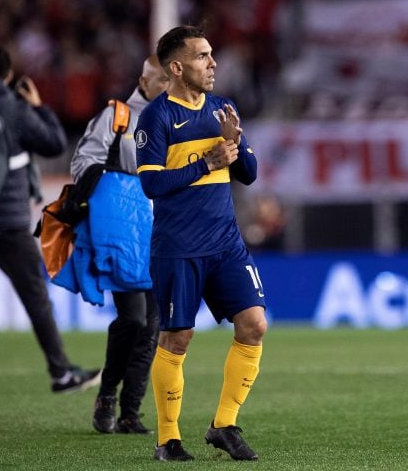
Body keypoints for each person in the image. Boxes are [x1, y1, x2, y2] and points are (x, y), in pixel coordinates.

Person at [135, 26, 267, 462]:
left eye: (212, 55)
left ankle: (224, 425)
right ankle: (168, 440)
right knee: (178, 337)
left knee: (254, 324)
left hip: (226, 243)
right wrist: (205, 161)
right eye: (202, 57)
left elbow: (247, 172)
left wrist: (234, 143)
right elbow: (153, 184)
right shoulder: (155, 118)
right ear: (176, 67)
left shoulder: (222, 108)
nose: (213, 64)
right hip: (178, 246)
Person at [0, 44, 101, 393]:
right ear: (8, 74)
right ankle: (61, 372)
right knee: (38, 303)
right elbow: (54, 143)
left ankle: (62, 371)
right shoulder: (14, 108)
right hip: (8, 224)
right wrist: (38, 106)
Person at [70, 56, 169, 434]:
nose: (169, 88)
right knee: (133, 318)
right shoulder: (118, 116)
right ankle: (108, 394)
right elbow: (84, 161)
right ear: (145, 81)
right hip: (124, 229)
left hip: (161, 231)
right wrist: (110, 188)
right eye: (163, 81)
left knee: (152, 327)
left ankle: (130, 412)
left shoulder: (174, 118)